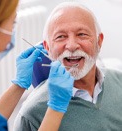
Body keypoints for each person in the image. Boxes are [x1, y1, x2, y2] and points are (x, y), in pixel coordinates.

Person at [14, 1, 122, 131]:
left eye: (81, 34)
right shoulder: (31, 115)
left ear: (99, 41)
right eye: (60, 37)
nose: (71, 46)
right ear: (47, 48)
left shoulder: (119, 81)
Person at [0, 0, 74, 131]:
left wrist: (19, 84)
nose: (72, 45)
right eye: (12, 24)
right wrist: (56, 108)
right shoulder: (30, 114)